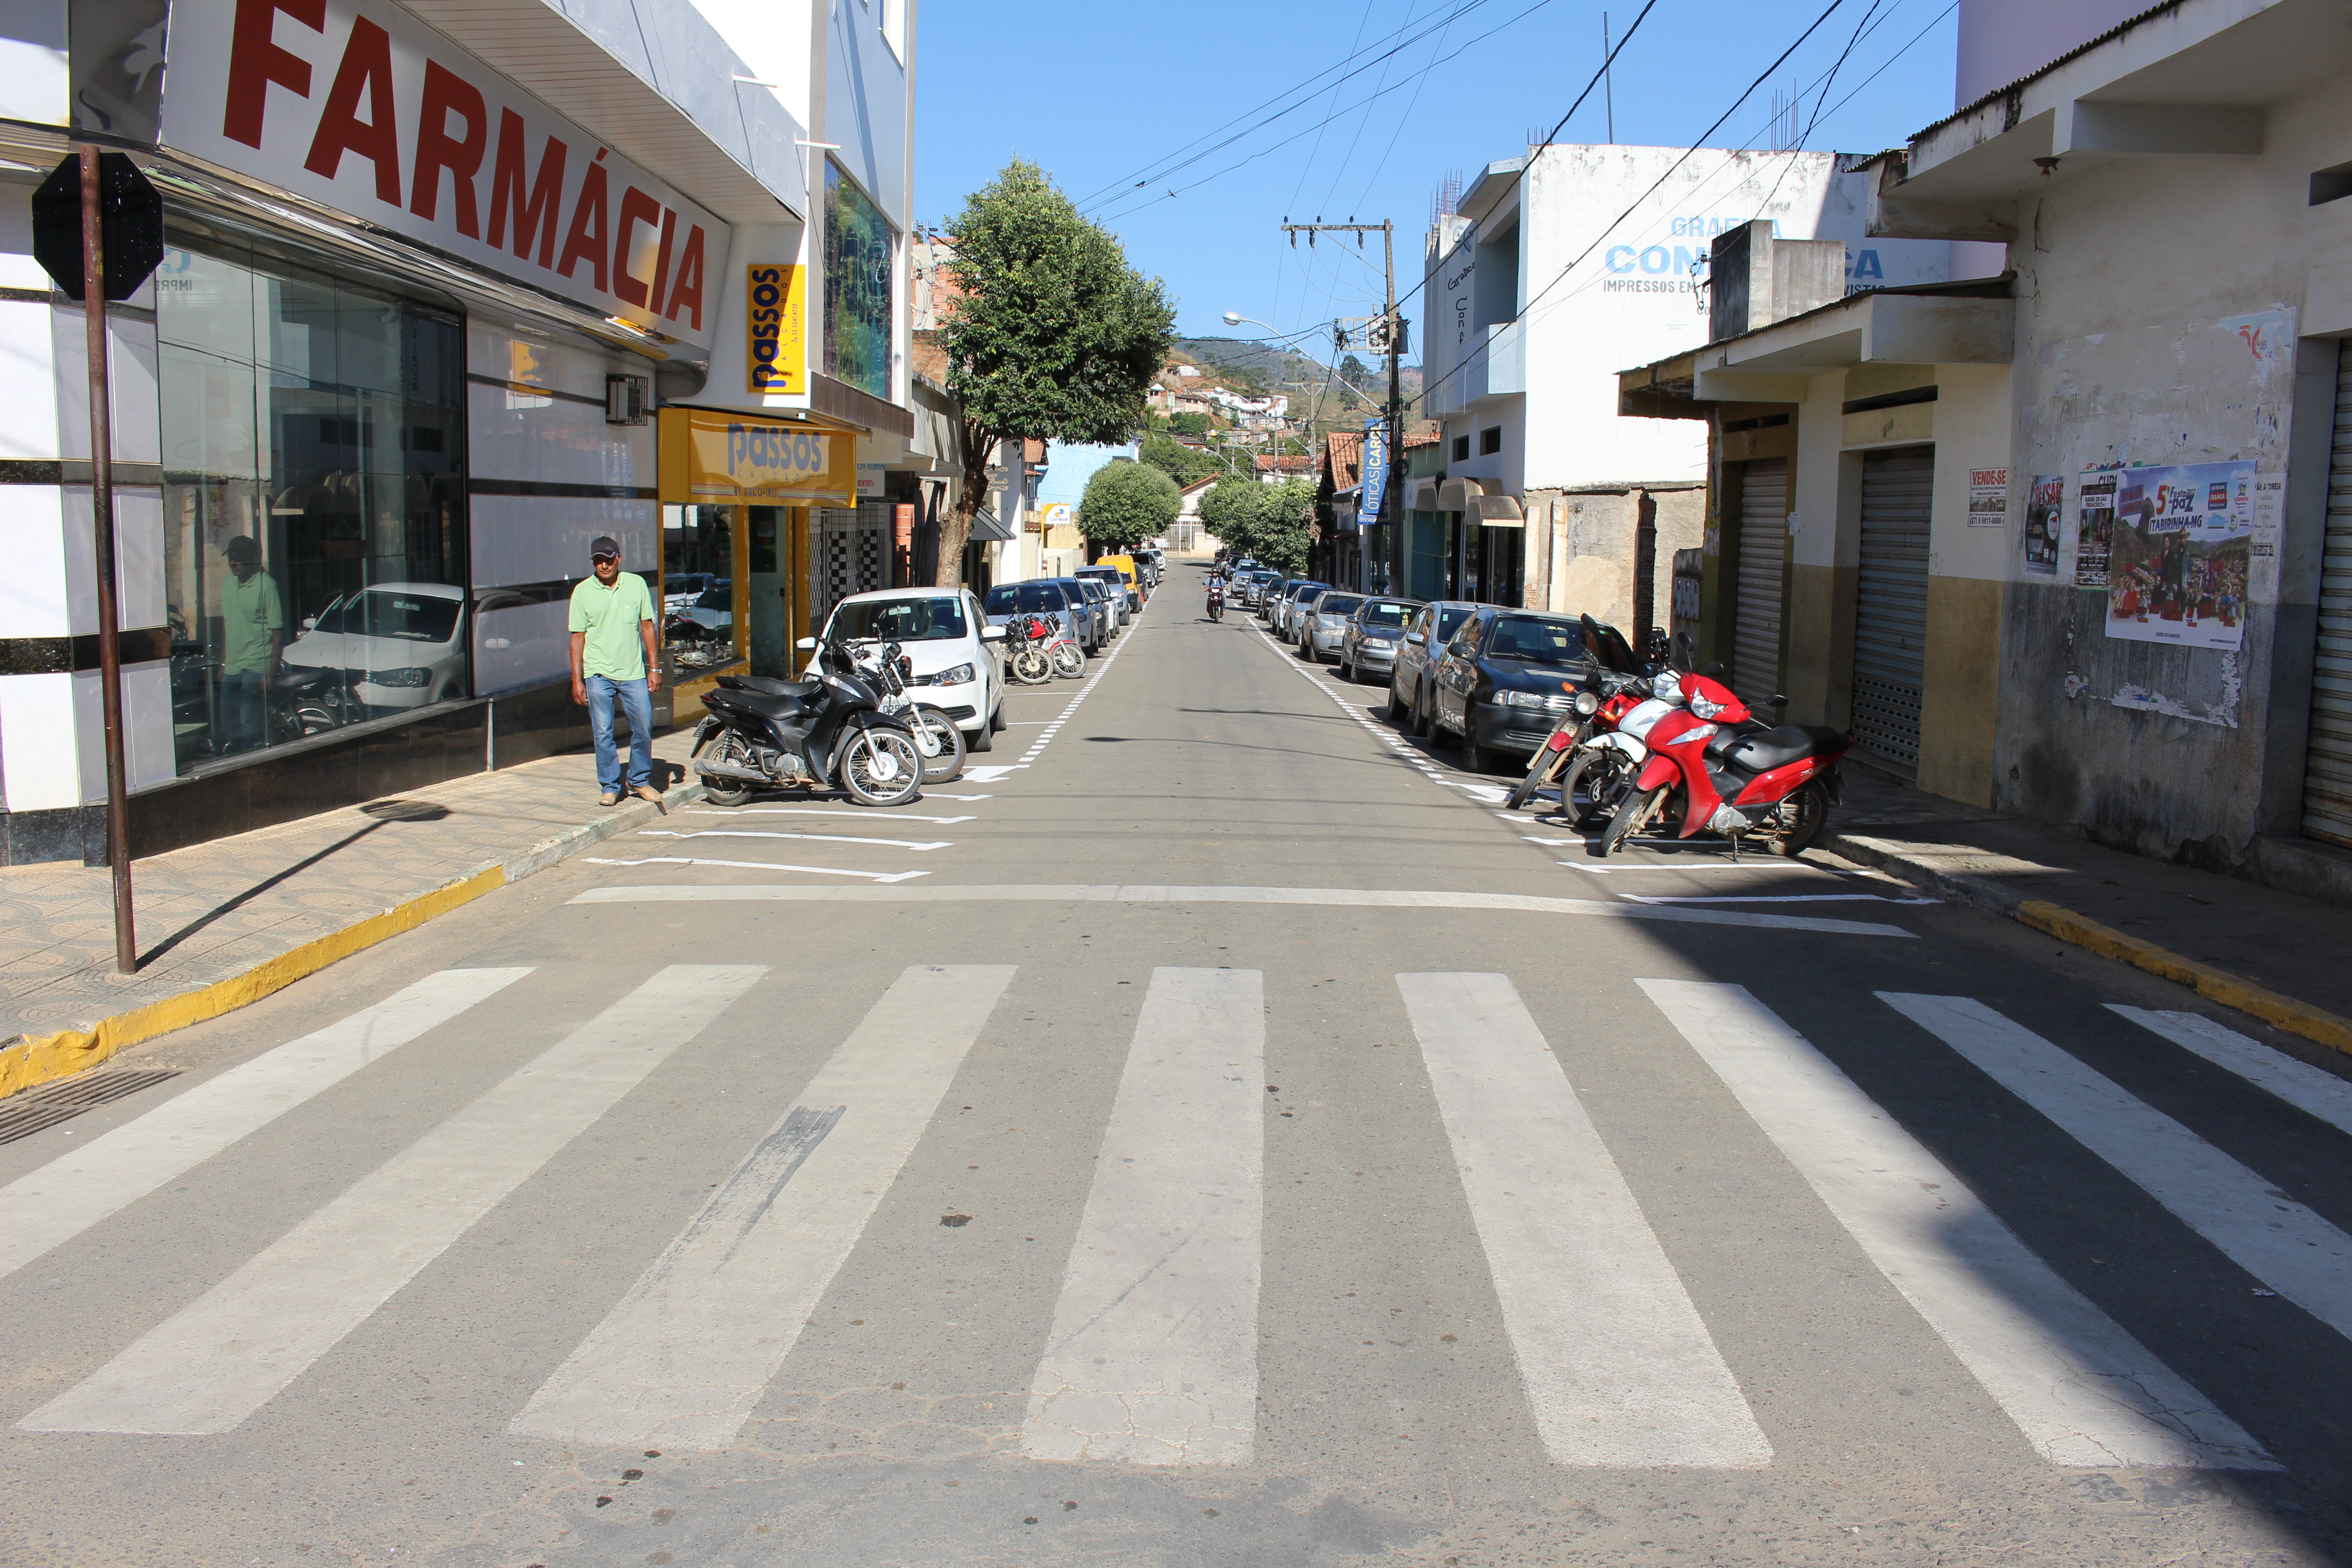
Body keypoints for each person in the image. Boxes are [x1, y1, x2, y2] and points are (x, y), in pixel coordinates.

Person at [569, 535, 664, 808]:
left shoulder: (637, 585)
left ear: (619, 559)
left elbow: (647, 627)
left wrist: (654, 668)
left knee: (644, 727)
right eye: (598, 560)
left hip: (633, 673)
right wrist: (577, 679)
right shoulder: (583, 592)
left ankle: (639, 780)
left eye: (608, 559)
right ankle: (610, 786)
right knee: (602, 732)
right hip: (598, 674)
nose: (604, 565)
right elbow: (577, 637)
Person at [217, 535, 282, 753]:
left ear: (253, 560)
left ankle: (254, 761)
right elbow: (227, 624)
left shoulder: (267, 586)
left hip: (256, 664)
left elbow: (277, 632)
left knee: (248, 721)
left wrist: (271, 674)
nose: (234, 563)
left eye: (239, 559)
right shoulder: (228, 583)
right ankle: (238, 758)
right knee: (228, 718)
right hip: (233, 665)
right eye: (232, 558)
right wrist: (223, 664)